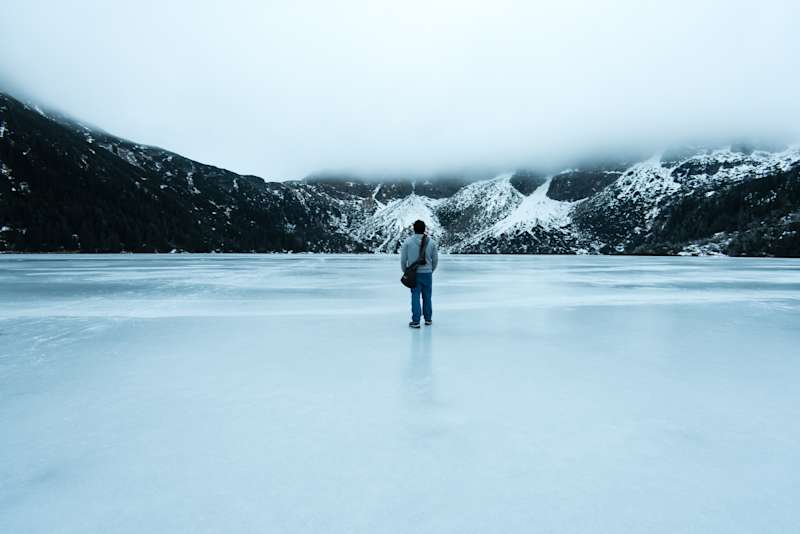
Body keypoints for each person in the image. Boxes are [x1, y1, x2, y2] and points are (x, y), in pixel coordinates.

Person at [400, 220, 439, 328]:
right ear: (424, 229)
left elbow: (403, 260)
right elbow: (435, 260)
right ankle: (428, 319)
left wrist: (407, 272)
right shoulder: (431, 242)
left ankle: (416, 321)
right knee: (427, 297)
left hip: (414, 274)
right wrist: (430, 270)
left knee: (415, 296)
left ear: (414, 229)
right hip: (427, 274)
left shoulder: (407, 242)